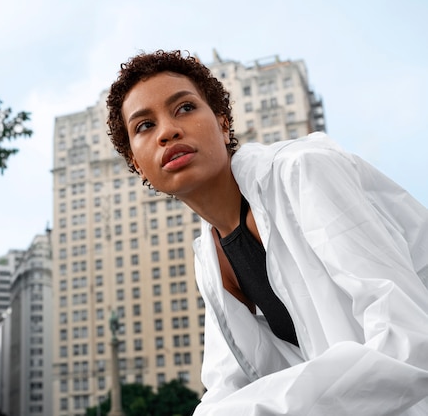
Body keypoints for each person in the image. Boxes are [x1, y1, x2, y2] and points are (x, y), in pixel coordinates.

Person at [106, 49, 428, 415]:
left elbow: (411, 341)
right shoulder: (210, 258)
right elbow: (228, 384)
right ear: (137, 164)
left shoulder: (303, 173)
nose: (168, 131)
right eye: (144, 126)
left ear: (223, 122)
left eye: (184, 108)